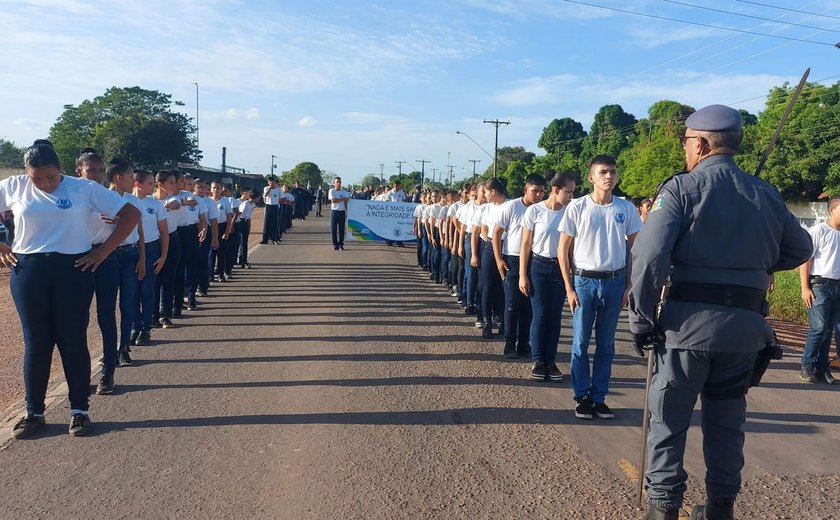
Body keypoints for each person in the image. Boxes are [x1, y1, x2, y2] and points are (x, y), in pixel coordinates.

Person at [628, 105, 812, 520]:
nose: (685, 151)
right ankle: (720, 509)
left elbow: (648, 257)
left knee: (668, 422)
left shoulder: (681, 189)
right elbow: (800, 250)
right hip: (744, 332)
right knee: (727, 425)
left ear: (702, 143)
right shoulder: (765, 192)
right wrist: (750, 266)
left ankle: (662, 511)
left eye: (687, 143)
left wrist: (641, 321)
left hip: (686, 330)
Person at [2, 142, 139, 438]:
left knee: (72, 340)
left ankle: (79, 411)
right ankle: (34, 412)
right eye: (36, 178)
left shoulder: (83, 188)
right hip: (28, 271)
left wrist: (103, 252)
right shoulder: (14, 186)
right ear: (27, 173)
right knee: (36, 343)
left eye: (50, 177)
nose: (44, 184)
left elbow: (131, 214)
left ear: (61, 169)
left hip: (74, 271)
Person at [559, 155, 643, 421]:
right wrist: (569, 287)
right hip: (584, 282)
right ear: (591, 177)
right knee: (581, 343)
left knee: (606, 345)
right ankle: (581, 396)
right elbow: (563, 249)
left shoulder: (626, 208)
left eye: (613, 172)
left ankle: (599, 397)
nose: (609, 177)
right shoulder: (577, 207)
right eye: (603, 172)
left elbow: (635, 249)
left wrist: (630, 284)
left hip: (614, 281)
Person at [519, 171, 576, 381]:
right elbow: (526, 244)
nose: (570, 196)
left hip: (560, 269)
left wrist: (571, 274)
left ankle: (550, 361)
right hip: (538, 266)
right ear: (555, 190)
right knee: (541, 315)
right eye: (568, 192)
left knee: (555, 318)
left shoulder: (570, 212)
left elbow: (570, 248)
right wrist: (522, 275)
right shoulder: (535, 211)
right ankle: (538, 360)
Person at [493, 174, 544, 358]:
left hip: (533, 260)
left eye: (541, 191)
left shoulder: (541, 209)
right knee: (512, 304)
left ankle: (524, 343)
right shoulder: (512, 206)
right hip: (512, 260)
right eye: (534, 191)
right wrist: (499, 259)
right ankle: (509, 343)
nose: (538, 195)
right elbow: (496, 233)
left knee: (528, 306)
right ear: (525, 190)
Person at [799, 199, 840, 385]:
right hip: (820, 286)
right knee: (818, 328)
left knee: (829, 330)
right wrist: (805, 288)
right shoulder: (819, 230)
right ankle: (807, 365)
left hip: (838, 287)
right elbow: (805, 260)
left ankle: (822, 369)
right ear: (832, 210)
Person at [131, 169, 168, 348]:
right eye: (149, 183)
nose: (153, 186)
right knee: (131, 293)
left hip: (152, 249)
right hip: (131, 250)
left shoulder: (156, 204)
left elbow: (164, 233)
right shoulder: (124, 201)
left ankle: (145, 329)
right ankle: (134, 327)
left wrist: (163, 256)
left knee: (147, 291)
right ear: (138, 183)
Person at [153, 170, 182, 329]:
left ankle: (166, 315)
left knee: (168, 279)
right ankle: (153, 315)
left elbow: (176, 204)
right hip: (154, 242)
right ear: (160, 184)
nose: (174, 185)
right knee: (155, 280)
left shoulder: (174, 199)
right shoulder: (150, 200)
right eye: (170, 182)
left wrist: (167, 205)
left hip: (172, 240)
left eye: (174, 182)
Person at [480, 178, 508, 339]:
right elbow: (484, 228)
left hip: (507, 248)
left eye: (485, 192)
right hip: (490, 246)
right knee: (487, 286)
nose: (484, 195)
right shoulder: (487, 208)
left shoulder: (510, 205)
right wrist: (489, 240)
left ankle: (504, 321)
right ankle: (487, 321)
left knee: (504, 287)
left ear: (493, 191)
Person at [328, 176, 351, 250]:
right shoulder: (331, 191)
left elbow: (347, 200)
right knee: (333, 229)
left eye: (340, 182)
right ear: (334, 183)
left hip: (342, 212)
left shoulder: (344, 192)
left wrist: (347, 211)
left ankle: (341, 244)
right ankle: (335, 245)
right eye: (337, 182)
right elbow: (333, 200)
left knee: (341, 229)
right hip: (334, 211)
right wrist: (342, 199)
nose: (339, 183)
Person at [238, 190, 258, 268]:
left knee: (244, 242)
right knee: (241, 242)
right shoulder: (245, 203)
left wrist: (249, 226)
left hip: (246, 222)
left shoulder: (252, 205)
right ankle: (242, 261)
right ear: (256, 198)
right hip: (241, 222)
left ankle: (243, 260)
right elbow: (239, 213)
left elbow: (249, 217)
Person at [261, 176, 281, 244]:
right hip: (268, 206)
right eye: (270, 182)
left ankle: (274, 238)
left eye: (273, 182)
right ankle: (265, 239)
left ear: (275, 182)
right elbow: (265, 195)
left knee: (274, 223)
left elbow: (280, 198)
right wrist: (270, 188)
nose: (271, 183)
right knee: (266, 223)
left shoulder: (278, 189)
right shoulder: (266, 188)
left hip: (275, 206)